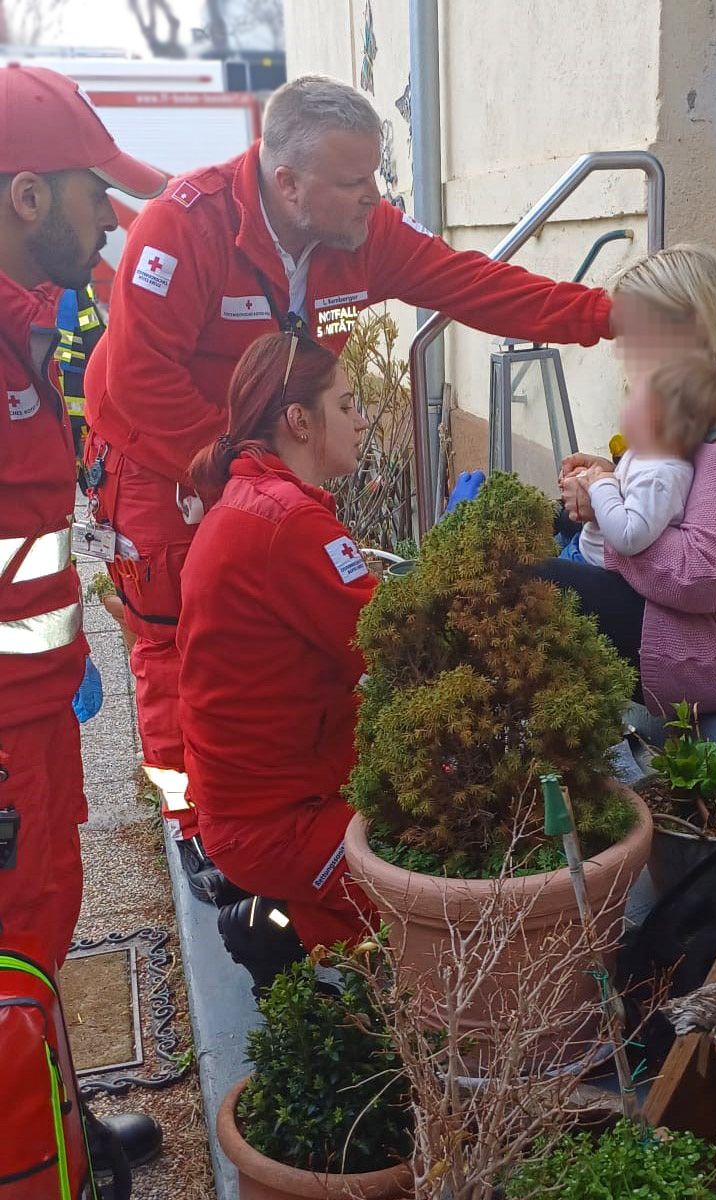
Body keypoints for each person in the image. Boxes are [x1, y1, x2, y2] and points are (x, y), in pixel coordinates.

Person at [83, 73, 621, 903]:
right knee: (171, 641)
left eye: (376, 176)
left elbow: (471, 283)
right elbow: (136, 379)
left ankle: (285, 801)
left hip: (259, 464)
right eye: (354, 182)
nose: (374, 197)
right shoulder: (184, 229)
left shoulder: (359, 232)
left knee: (277, 640)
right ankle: (196, 828)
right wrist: (233, 477)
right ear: (287, 183)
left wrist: (601, 316)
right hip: (165, 462)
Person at [0, 62, 164, 1173]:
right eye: (89, 193)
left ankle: (59, 1126)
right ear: (24, 199)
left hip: (38, 709)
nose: (105, 214)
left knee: (44, 924)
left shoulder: (22, 319)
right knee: (9, 954)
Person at [176, 331, 377, 967]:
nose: (362, 420)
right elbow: (397, 647)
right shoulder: (289, 522)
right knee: (439, 889)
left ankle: (275, 922)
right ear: (298, 420)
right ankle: (285, 934)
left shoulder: (248, 501)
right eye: (346, 406)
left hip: (255, 809)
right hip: (283, 821)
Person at [541, 244, 716, 715]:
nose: (622, 346)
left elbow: (702, 577)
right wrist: (608, 481)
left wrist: (606, 510)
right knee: (545, 528)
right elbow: (679, 497)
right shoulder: (710, 401)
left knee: (529, 588)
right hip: (696, 624)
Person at [568, 357, 716, 563]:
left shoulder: (660, 476)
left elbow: (628, 537)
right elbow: (628, 490)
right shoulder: (647, 454)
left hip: (595, 567)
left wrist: (600, 486)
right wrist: (594, 476)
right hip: (584, 547)